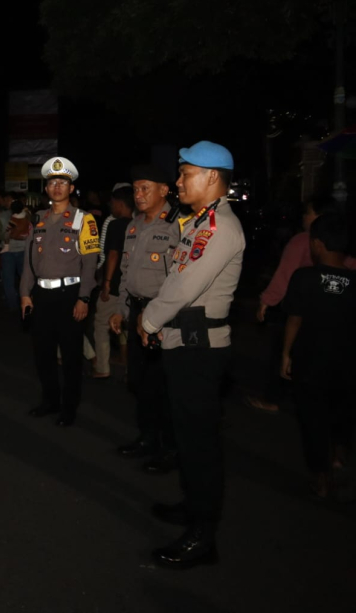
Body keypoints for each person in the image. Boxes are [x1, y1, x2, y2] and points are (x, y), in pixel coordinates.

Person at [141, 141, 244, 569]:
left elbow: (183, 289)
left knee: (200, 445)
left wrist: (148, 321)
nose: (178, 181)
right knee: (187, 437)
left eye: (185, 174)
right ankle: (192, 505)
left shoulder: (219, 227)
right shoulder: (198, 221)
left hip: (200, 351)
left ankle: (203, 538)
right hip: (184, 343)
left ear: (213, 178)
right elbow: (175, 277)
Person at [252, 196, 355, 413]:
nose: (303, 217)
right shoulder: (344, 243)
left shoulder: (303, 241)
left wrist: (267, 300)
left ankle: (275, 398)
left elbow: (285, 275)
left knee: (285, 351)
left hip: (301, 313)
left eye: (307, 213)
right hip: (338, 319)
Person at [109, 165, 180, 474]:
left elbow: (179, 281)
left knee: (163, 386)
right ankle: (147, 438)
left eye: (145, 188)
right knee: (138, 381)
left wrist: (157, 318)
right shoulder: (133, 225)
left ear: (164, 190)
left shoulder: (178, 225)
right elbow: (127, 273)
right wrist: (120, 310)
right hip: (137, 310)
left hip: (163, 316)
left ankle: (169, 448)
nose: (138, 195)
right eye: (136, 189)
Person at [19, 157, 100, 426]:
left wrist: (84, 297)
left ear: (71, 187)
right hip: (41, 296)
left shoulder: (83, 219)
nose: (56, 187)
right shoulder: (39, 219)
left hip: (70, 295)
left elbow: (90, 263)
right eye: (52, 182)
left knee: (71, 355)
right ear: (46, 188)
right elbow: (29, 261)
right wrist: (25, 294)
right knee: (42, 353)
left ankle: (69, 407)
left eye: (62, 183)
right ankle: (50, 400)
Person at [281, 213, 355, 499]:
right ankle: (339, 454)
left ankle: (321, 477)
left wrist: (286, 354)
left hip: (310, 361)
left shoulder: (304, 277)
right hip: (347, 362)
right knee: (343, 410)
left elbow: (294, 320)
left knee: (312, 419)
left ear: (318, 244)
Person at [91, 184, 134, 379]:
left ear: (119, 203)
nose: (110, 206)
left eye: (112, 203)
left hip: (116, 284)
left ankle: (102, 367)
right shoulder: (139, 223)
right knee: (128, 326)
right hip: (132, 285)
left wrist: (106, 283)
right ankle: (130, 368)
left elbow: (113, 254)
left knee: (101, 324)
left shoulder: (116, 225)